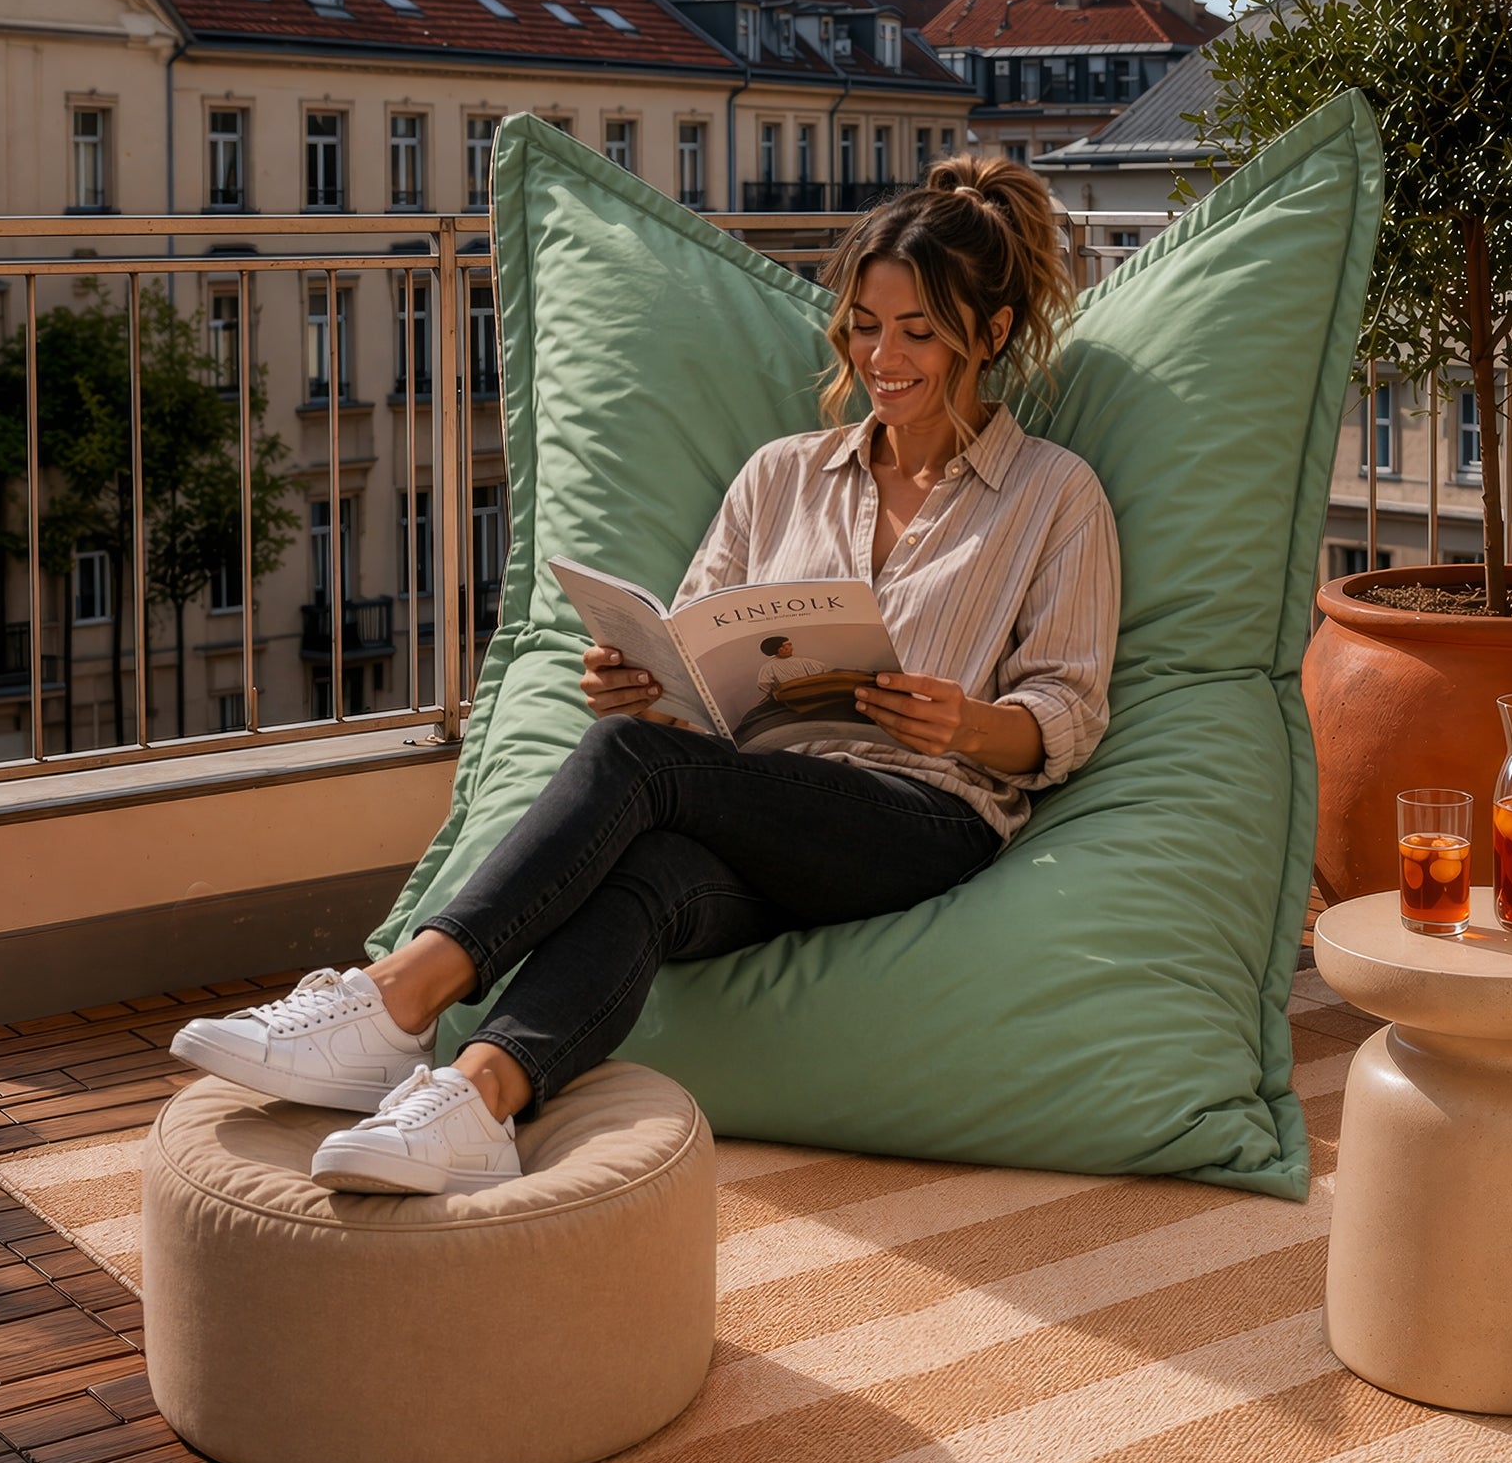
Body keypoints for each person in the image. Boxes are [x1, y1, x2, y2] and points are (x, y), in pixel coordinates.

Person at [171, 155, 1121, 1194]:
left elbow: (1066, 711)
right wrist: (641, 680)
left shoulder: (1051, 493)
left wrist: (968, 723)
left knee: (638, 760)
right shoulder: (781, 473)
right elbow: (695, 640)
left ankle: (396, 997)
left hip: (921, 816)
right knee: (649, 875)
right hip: (761, 799)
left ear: (988, 333)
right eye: (862, 323)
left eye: (917, 331)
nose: (880, 356)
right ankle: (475, 1100)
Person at [754, 636, 827, 697]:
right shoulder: (769, 666)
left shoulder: (803, 661)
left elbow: (764, 684)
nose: (791, 648)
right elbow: (764, 684)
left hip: (807, 692)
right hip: (787, 696)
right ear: (781, 649)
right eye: (788, 645)